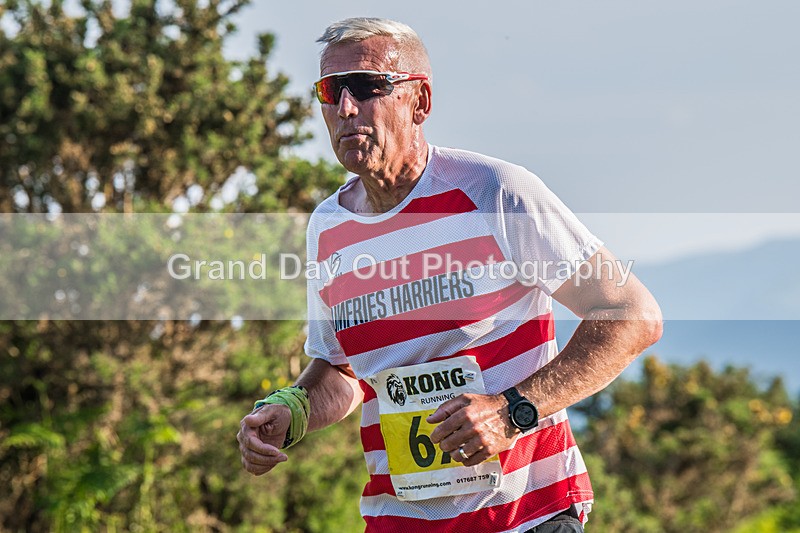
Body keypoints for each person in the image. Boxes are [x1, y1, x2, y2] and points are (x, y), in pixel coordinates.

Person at [238, 17, 662, 533]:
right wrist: (290, 413)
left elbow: (631, 314)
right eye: (331, 90)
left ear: (420, 103)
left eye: (367, 87)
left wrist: (512, 413)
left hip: (525, 517)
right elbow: (341, 371)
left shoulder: (494, 192)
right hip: (399, 522)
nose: (345, 108)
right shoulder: (329, 227)